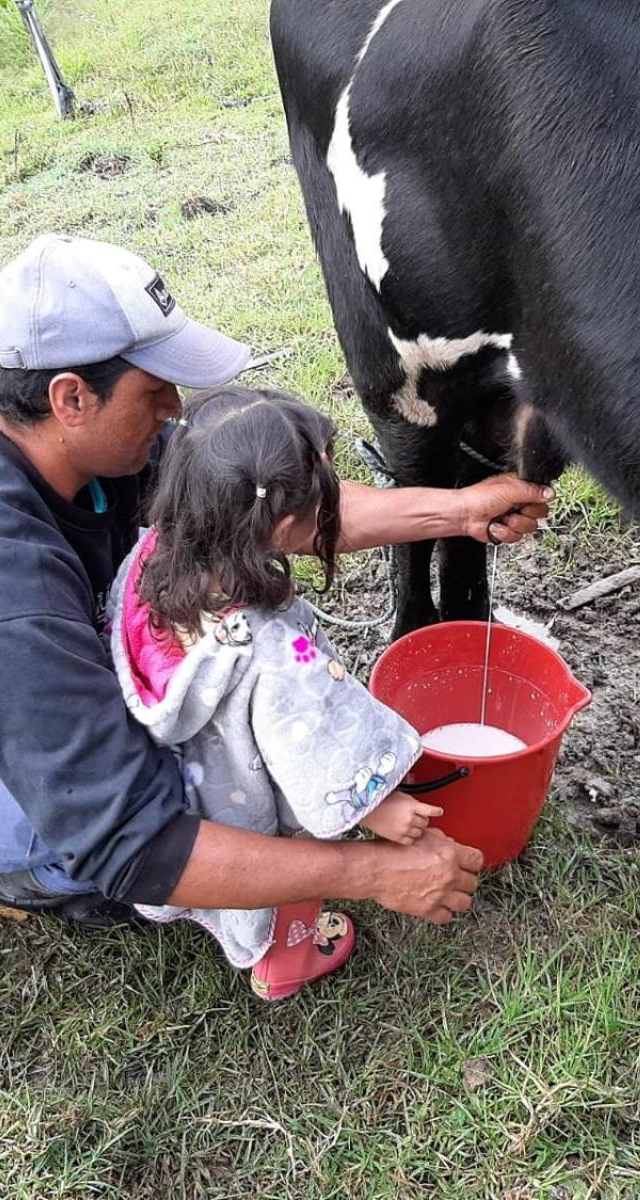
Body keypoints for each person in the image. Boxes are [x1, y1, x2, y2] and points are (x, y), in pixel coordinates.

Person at [0, 233, 552, 935]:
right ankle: (25, 875)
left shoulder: (59, 442)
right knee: (189, 787)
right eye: (155, 390)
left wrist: (458, 510)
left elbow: (260, 513)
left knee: (197, 725)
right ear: (71, 397)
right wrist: (374, 874)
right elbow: (137, 840)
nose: (175, 409)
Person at [109, 386, 445, 999]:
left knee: (238, 855)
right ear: (285, 528)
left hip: (197, 781)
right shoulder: (278, 654)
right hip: (254, 792)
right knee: (287, 868)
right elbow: (319, 744)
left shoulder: (148, 559)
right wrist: (375, 805)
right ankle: (287, 961)